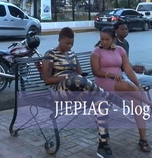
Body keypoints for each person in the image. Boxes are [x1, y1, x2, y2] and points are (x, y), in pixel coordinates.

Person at [41, 27, 114, 158]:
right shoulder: (50, 54)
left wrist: (77, 78)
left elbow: (80, 75)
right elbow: (47, 80)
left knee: (101, 103)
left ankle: (103, 145)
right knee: (75, 79)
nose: (69, 46)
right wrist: (68, 78)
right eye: (66, 43)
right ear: (59, 40)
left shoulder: (72, 54)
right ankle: (109, 95)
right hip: (58, 92)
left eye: (71, 43)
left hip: (75, 90)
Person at [91, 27, 152, 153]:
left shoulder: (120, 50)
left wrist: (138, 84)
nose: (104, 42)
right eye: (102, 39)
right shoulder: (96, 52)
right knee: (127, 85)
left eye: (107, 39)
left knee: (137, 104)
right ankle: (151, 105)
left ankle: (143, 140)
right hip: (103, 84)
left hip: (119, 84)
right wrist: (111, 75)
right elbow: (96, 72)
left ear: (114, 39)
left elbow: (128, 69)